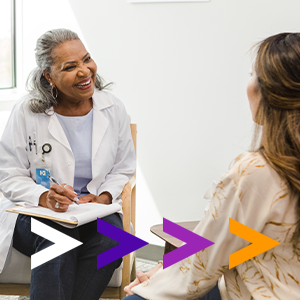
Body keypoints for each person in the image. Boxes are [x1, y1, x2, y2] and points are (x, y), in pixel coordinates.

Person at [123, 32, 300, 299]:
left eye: (253, 74)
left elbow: (201, 267)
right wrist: (165, 270)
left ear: (268, 90)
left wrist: (152, 284)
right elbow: (257, 244)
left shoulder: (256, 171)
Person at [0, 28, 136, 300]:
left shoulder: (113, 108)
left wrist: (103, 196)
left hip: (93, 210)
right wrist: (43, 197)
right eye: (71, 66)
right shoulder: (27, 112)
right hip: (36, 213)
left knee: (114, 241)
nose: (85, 71)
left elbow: (123, 167)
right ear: (48, 76)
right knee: (57, 241)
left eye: (87, 59)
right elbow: (9, 175)